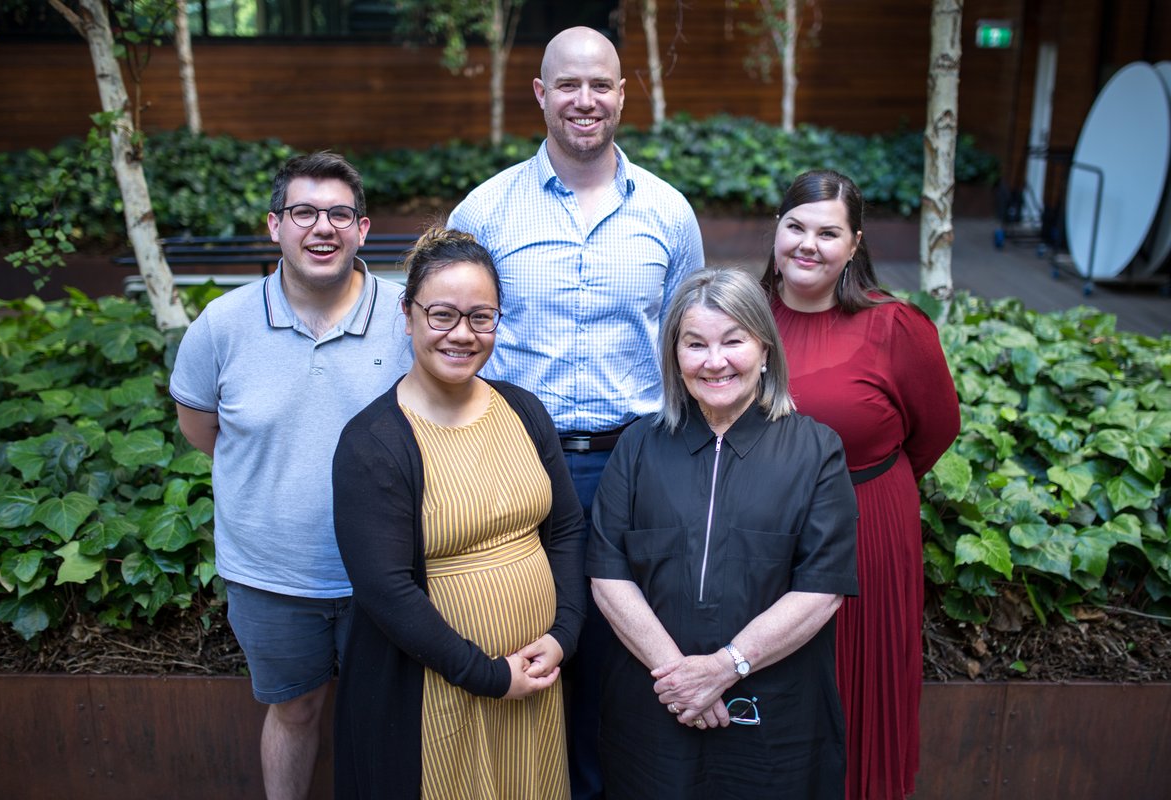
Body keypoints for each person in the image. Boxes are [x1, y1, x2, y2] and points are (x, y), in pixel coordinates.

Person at [447, 26, 705, 798]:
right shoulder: (487, 210)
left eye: (600, 85)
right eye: (568, 85)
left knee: (624, 661)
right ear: (541, 95)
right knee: (528, 642)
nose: (584, 100)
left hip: (640, 463)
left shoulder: (668, 212)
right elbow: (442, 337)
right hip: (522, 461)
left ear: (624, 95)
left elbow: (690, 342)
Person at [169, 152, 410, 800]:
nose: (322, 227)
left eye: (339, 213)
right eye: (304, 212)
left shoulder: (408, 318)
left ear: (364, 229)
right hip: (271, 576)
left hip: (386, 574)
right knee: (294, 711)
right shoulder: (222, 325)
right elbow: (202, 431)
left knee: (388, 723)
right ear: (275, 225)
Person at [330, 226, 586, 799]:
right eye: (442, 315)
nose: (462, 335)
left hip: (535, 683)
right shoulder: (372, 442)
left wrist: (564, 634)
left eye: (481, 317)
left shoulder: (523, 409)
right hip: (439, 690)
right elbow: (386, 590)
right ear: (408, 314)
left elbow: (567, 530)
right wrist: (489, 676)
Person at [587, 268, 859, 798]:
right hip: (655, 707)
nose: (715, 361)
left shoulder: (816, 450)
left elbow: (821, 589)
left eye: (733, 341)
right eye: (696, 344)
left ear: (764, 350)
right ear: (674, 355)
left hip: (776, 718)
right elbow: (608, 577)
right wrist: (683, 679)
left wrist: (725, 667)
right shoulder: (637, 446)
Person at [761, 169, 961, 800]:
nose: (808, 245)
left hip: (865, 524)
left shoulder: (895, 326)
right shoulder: (745, 317)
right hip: (763, 527)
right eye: (795, 227)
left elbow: (935, 430)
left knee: (855, 687)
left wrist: (862, 489)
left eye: (828, 232)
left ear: (854, 244)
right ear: (777, 231)